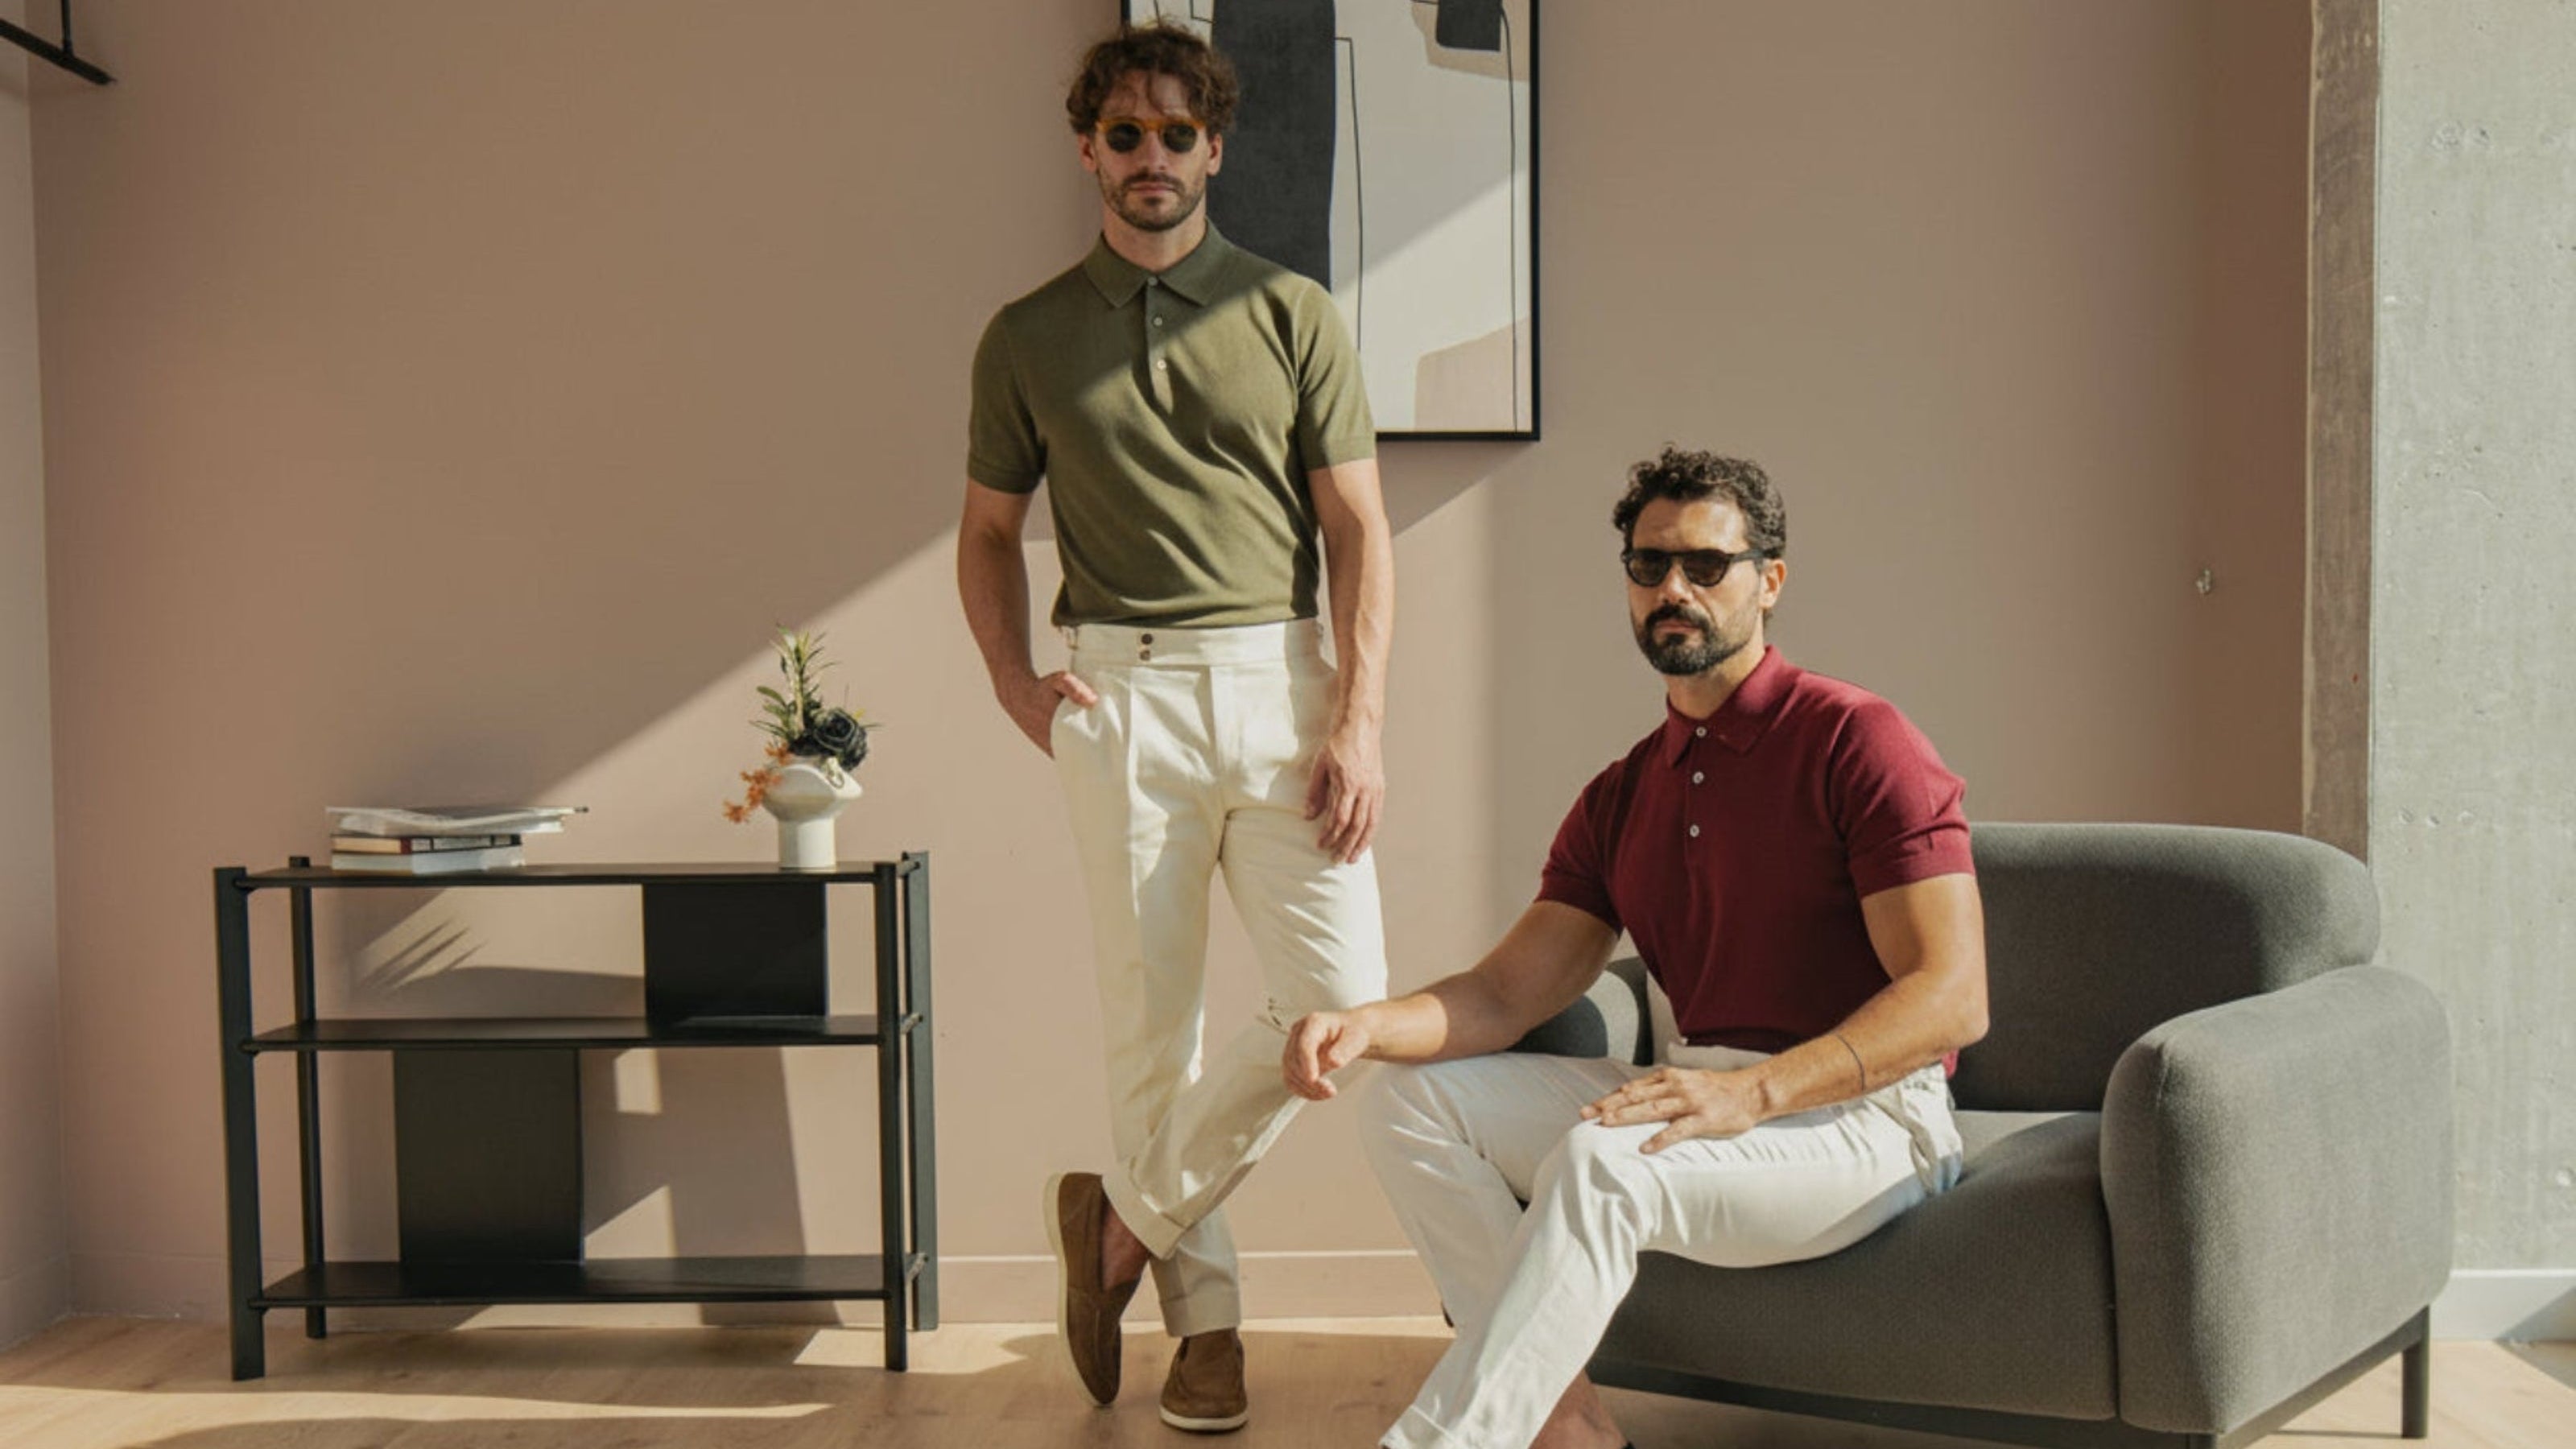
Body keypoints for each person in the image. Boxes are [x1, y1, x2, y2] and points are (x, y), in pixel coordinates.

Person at [1282, 448, 1988, 1449]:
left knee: (1601, 1162)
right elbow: (1501, 994)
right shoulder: (1623, 793)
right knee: (1405, 1100)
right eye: (1649, 565)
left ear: (1768, 581)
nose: (1673, 590)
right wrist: (1363, 1025)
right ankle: (1566, 1420)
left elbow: (1953, 999)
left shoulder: (1854, 740)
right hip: (1697, 1097)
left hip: (1866, 1120)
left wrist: (1754, 1093)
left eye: (1705, 566)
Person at [954, 19, 1395, 1436]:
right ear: (1089, 148)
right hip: (1119, 694)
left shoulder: (1292, 313)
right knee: (1152, 1028)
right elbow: (984, 537)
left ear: (1216, 148)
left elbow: (1360, 531)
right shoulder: (1024, 337)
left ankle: (1119, 1227)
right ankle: (1207, 1330)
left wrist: (1362, 719)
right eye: (1126, 134)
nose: (1153, 157)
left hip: (1285, 689)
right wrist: (1020, 686)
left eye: (1178, 134)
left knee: (1340, 1000)